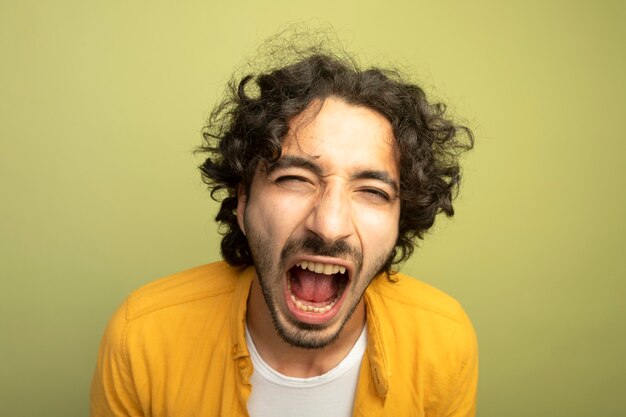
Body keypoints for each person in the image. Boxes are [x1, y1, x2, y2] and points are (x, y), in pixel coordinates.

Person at [90, 48, 478, 417]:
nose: (329, 226)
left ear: (400, 219)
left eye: (373, 192)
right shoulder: (142, 339)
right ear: (243, 202)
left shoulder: (443, 341)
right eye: (294, 179)